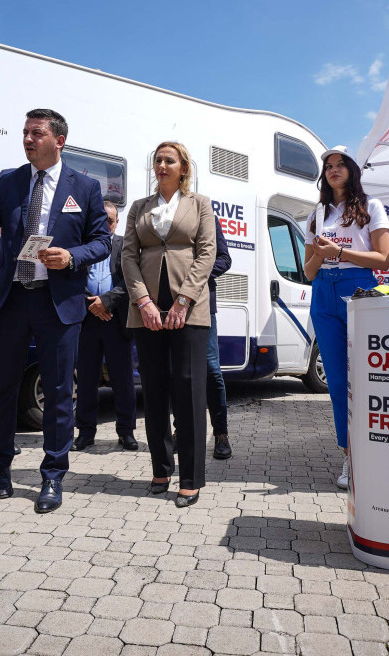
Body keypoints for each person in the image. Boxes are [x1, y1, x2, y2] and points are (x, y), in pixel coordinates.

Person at [0, 108, 110, 514]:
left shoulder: (86, 187)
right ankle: (1, 468)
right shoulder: (8, 181)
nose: (27, 139)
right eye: (25, 132)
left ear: (59, 141)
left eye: (36, 133)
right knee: (2, 388)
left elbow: (101, 241)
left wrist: (72, 257)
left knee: (58, 392)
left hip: (57, 302)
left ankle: (53, 475)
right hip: (10, 299)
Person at [121, 141, 217, 508]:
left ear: (183, 168)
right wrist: (142, 301)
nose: (161, 165)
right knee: (155, 389)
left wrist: (184, 299)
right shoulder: (139, 207)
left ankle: (190, 478)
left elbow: (206, 253)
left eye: (169, 160)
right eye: (158, 160)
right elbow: (128, 256)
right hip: (145, 309)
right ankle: (160, 469)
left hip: (189, 308)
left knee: (189, 390)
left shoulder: (200, 204)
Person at [302, 145, 389, 490]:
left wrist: (339, 251)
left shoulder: (372, 206)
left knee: (367, 379)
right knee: (338, 382)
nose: (334, 170)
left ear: (353, 170)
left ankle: (378, 451)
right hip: (323, 293)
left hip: (359, 288)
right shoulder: (316, 214)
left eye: (341, 164)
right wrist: (321, 254)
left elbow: (383, 258)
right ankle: (349, 454)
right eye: (328, 166)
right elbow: (309, 272)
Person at [72, 200, 138, 453]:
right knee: (86, 378)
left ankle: (126, 432)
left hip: (115, 319)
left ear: (116, 223)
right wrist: (93, 304)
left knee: (123, 379)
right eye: (101, 220)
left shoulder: (126, 244)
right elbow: (73, 278)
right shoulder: (83, 245)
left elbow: (131, 280)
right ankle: (85, 432)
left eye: (109, 220)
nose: (105, 224)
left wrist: (106, 302)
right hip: (87, 319)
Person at [205, 219, 233, 460]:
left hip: (203, 305)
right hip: (170, 304)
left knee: (212, 370)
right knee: (178, 373)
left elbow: (224, 259)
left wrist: (195, 275)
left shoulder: (208, 217)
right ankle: (181, 431)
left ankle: (221, 434)